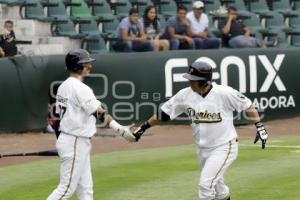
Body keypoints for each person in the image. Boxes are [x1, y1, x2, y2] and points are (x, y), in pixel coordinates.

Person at [133, 61, 268, 200]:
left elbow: (248, 105)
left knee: (205, 185)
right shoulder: (184, 95)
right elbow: (163, 114)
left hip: (224, 146)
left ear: (204, 81)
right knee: (219, 190)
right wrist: (142, 128)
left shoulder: (224, 93)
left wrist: (260, 127)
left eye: (194, 80)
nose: (190, 82)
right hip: (202, 149)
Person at [47, 49, 136, 200]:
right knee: (66, 189)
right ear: (76, 66)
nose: (89, 66)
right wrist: (120, 129)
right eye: (85, 63)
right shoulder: (81, 88)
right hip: (75, 140)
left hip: (72, 139)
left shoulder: (64, 86)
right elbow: (99, 113)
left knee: (86, 190)